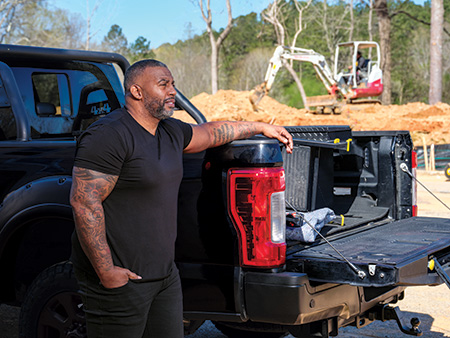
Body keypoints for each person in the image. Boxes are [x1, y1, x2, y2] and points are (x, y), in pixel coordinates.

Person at [69, 59, 293, 338]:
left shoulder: (171, 131)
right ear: (137, 92)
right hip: (122, 279)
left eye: (173, 84)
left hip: (164, 277)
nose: (172, 91)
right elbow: (84, 203)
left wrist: (260, 127)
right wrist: (107, 272)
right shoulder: (109, 135)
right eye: (163, 84)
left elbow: (213, 131)